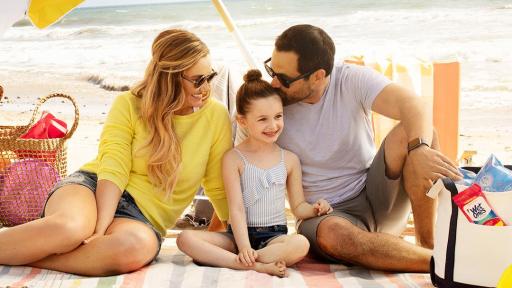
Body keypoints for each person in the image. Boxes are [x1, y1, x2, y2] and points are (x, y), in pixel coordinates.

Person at [0, 29, 233, 276]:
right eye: (197, 80)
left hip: (141, 220)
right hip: (93, 186)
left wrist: (242, 233)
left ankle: (29, 257)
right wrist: (98, 229)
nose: (205, 87)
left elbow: (218, 185)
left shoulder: (215, 115)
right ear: (170, 78)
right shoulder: (128, 104)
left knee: (133, 249)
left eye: (210, 77)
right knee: (71, 228)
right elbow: (114, 166)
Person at [263, 24, 463, 272]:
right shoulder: (269, 104)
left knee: (420, 134)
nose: (273, 82)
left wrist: (420, 149)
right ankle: (443, 264)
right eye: (271, 69)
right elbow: (244, 163)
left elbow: (414, 105)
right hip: (324, 216)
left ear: (317, 76)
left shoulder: (349, 79)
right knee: (335, 234)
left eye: (284, 78)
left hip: (375, 196)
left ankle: (428, 242)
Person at [177, 69, 333, 277]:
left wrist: (316, 209)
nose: (273, 125)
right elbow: (237, 209)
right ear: (242, 121)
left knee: (301, 243)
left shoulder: (289, 159)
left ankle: (240, 262)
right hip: (237, 237)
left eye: (278, 116)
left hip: (274, 238)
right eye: (262, 119)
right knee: (185, 239)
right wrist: (243, 248)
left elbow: (298, 207)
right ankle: (255, 263)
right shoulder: (233, 158)